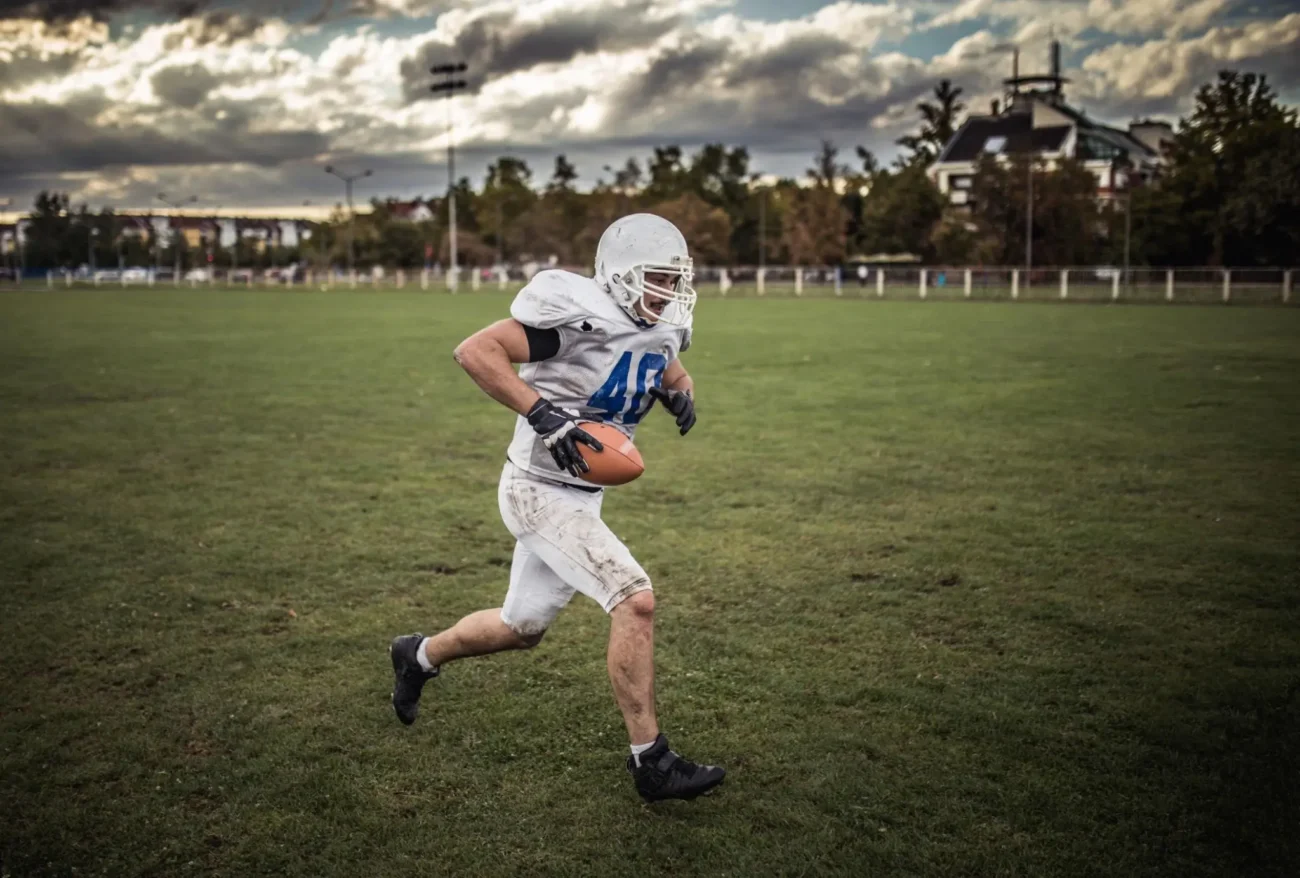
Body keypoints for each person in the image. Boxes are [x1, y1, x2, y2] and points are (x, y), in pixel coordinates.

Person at [389, 213, 726, 803]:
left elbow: (665, 360)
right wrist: (542, 411)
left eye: (674, 280)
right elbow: (476, 350)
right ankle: (652, 761)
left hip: (581, 496)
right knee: (635, 597)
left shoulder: (665, 321)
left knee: (521, 628)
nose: (668, 292)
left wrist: (680, 392)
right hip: (535, 488)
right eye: (657, 279)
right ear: (620, 277)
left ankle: (417, 655)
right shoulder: (580, 317)